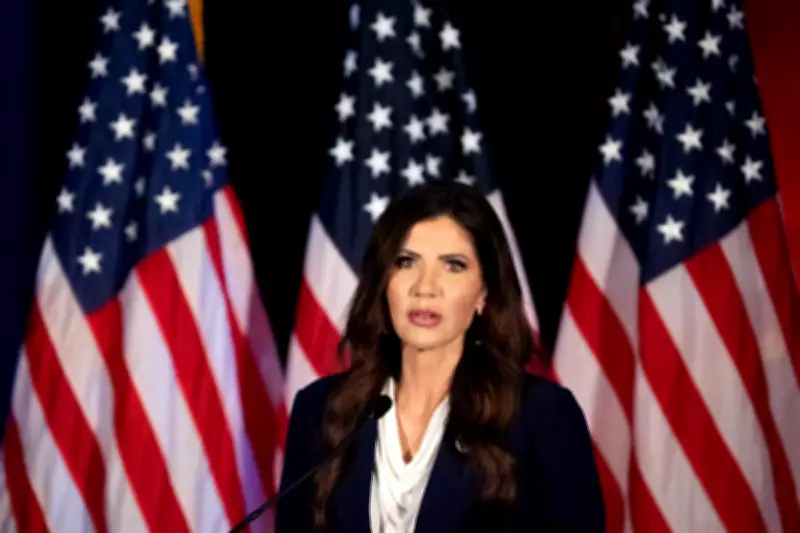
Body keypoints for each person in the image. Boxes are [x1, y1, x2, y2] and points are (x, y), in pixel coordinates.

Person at [275, 182, 605, 533]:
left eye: (453, 266)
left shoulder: (542, 415)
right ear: (383, 283)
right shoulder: (321, 409)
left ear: (484, 293)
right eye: (406, 262)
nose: (425, 287)